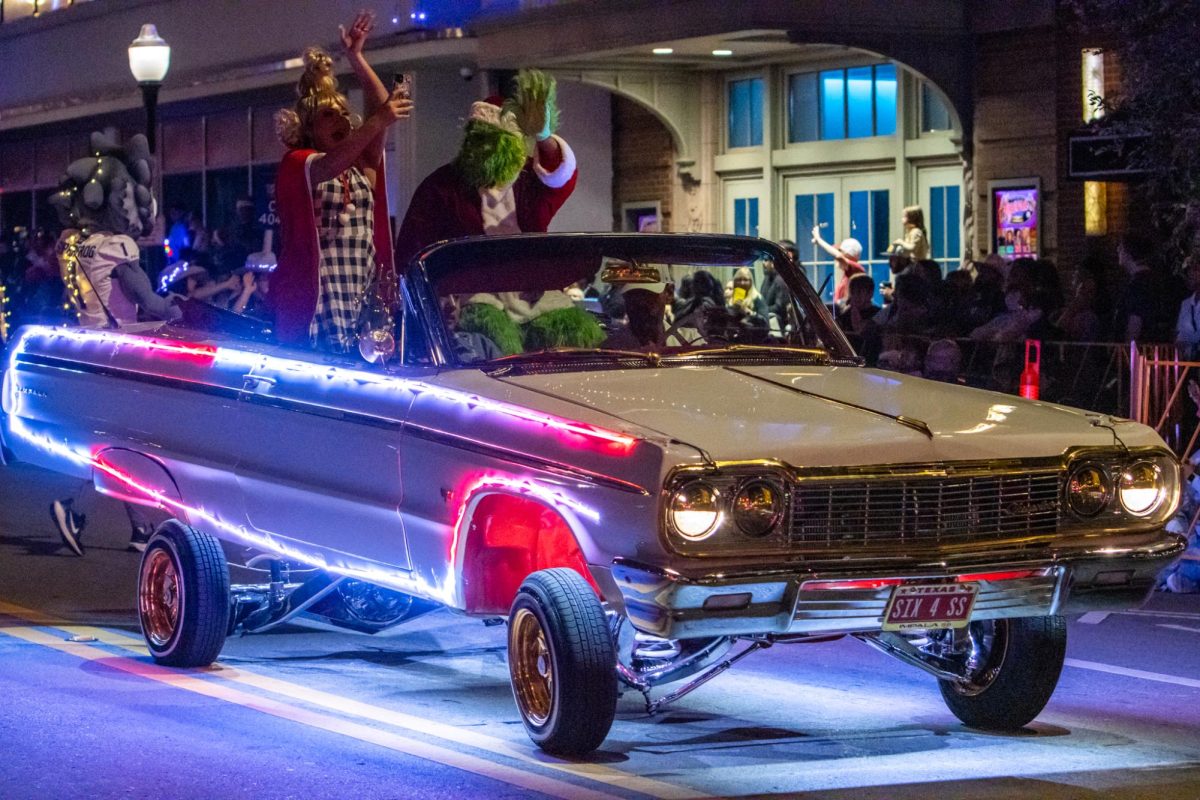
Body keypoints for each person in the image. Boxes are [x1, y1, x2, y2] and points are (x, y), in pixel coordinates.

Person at [45, 128, 169, 555]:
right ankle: (71, 504)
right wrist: (177, 312)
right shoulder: (117, 246)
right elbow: (146, 299)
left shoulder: (71, 244)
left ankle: (139, 527)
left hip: (86, 344)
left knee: (120, 439)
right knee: (122, 441)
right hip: (119, 350)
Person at [271, 12, 412, 350]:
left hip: (362, 304)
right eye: (328, 115)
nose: (341, 120)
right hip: (316, 305)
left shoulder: (361, 166)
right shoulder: (297, 163)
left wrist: (357, 58)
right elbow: (328, 165)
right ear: (308, 128)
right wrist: (377, 120)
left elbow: (382, 111)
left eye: (345, 114)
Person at [395, 69, 577, 264]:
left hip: (530, 285)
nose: (484, 148)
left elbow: (560, 176)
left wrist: (544, 137)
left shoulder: (530, 181)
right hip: (465, 287)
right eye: (479, 138)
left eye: (494, 140)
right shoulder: (442, 185)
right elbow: (412, 250)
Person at [810, 227, 864, 308]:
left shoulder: (857, 268)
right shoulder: (848, 274)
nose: (835, 259)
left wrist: (819, 240)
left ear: (848, 254)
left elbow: (838, 256)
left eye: (840, 250)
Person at [1177, 257, 1200, 358]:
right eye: (1188, 270)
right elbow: (1181, 335)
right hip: (1189, 364)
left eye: (1195, 269)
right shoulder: (1185, 304)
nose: (1191, 273)